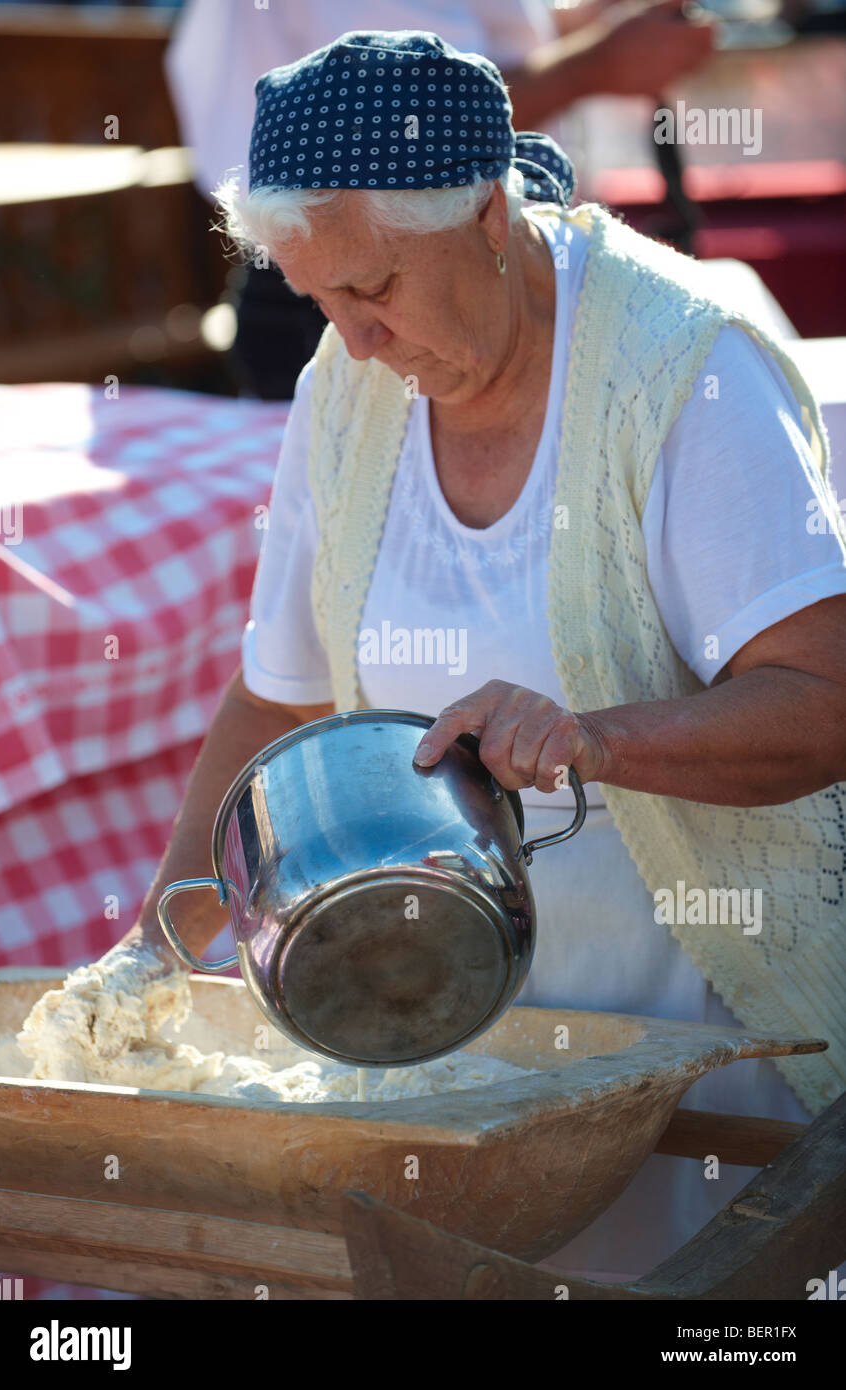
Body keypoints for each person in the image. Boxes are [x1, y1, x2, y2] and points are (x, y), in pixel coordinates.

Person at [42, 29, 845, 1282]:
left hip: (714, 1085)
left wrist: (592, 740)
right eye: (319, 301)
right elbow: (277, 693)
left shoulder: (682, 371)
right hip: (461, 1073)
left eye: (373, 291)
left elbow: (821, 700)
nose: (354, 341)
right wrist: (157, 932)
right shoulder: (345, 387)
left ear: (486, 214)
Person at [166, 0, 716, 397]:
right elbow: (409, 131)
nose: (354, 345)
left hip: (397, 265)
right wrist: (598, 64)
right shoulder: (345, 352)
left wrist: (590, 19)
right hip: (333, 273)